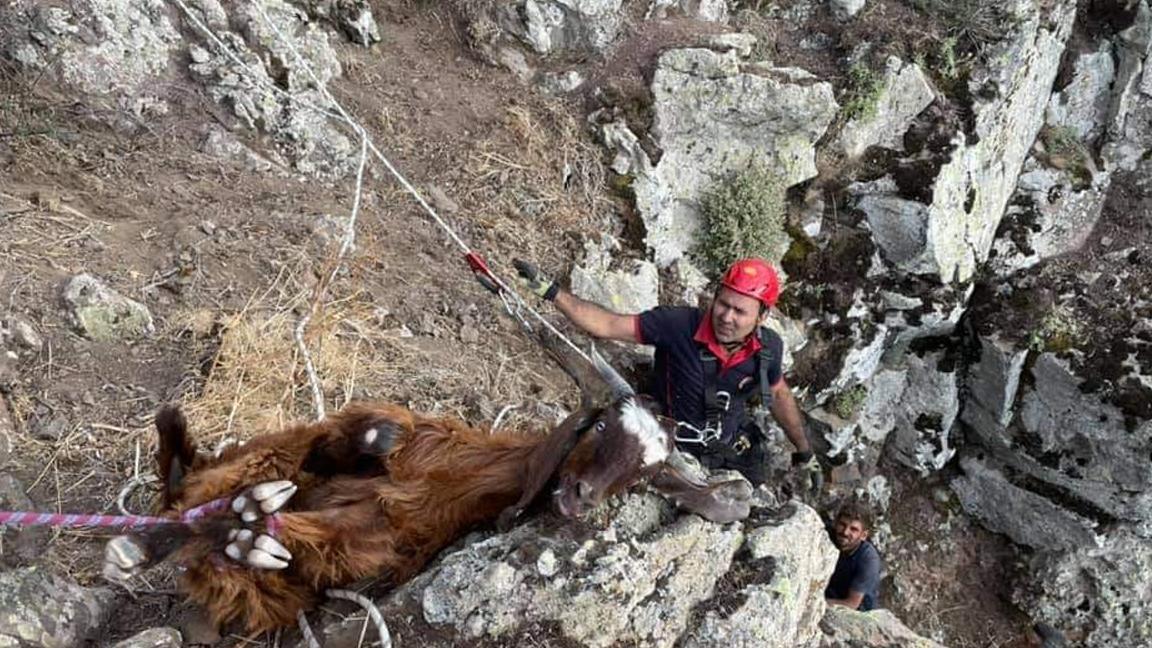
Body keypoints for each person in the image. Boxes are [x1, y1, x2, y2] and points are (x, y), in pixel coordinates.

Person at [514, 257, 820, 488]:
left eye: (740, 311)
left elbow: (779, 394)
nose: (726, 317)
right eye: (722, 304)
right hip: (672, 447)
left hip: (730, 448)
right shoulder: (677, 326)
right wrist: (553, 292)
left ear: (762, 316)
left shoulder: (768, 349)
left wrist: (804, 450)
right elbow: (608, 325)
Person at [824, 500, 882, 611]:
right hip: (829, 594)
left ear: (863, 535)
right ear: (835, 523)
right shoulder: (825, 536)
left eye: (853, 529)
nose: (845, 532)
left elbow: (851, 604)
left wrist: (814, 603)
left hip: (857, 613)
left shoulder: (868, 559)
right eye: (842, 525)